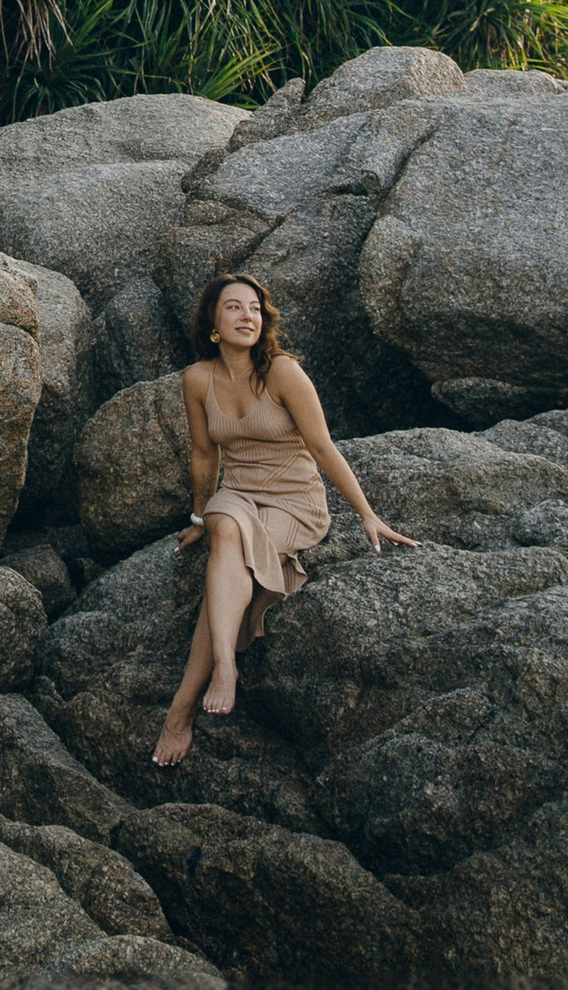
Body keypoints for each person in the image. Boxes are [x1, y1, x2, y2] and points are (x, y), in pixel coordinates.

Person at [152, 270, 414, 766]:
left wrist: (367, 515)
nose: (246, 315)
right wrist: (197, 515)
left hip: (294, 501)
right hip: (238, 494)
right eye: (233, 307)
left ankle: (180, 710)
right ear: (213, 321)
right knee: (222, 528)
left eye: (253, 308)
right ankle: (226, 667)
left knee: (232, 562)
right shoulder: (198, 379)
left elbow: (321, 446)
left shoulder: (283, 373)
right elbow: (204, 455)